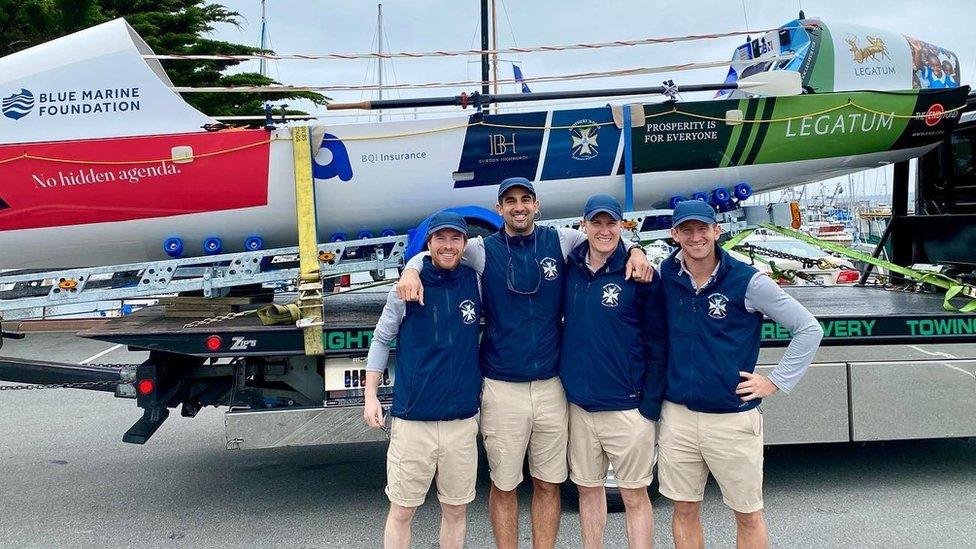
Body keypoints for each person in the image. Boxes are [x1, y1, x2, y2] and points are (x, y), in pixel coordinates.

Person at [396, 177, 652, 549]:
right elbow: (439, 253)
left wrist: (638, 251)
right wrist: (411, 269)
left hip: (551, 386)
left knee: (548, 484)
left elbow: (608, 238)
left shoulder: (561, 241)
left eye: (525, 199)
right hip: (502, 388)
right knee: (504, 485)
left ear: (537, 205)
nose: (519, 206)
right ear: (499, 209)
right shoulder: (483, 250)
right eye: (510, 201)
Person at [656, 200, 823, 549]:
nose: (696, 236)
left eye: (703, 228)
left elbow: (808, 328)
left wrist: (775, 381)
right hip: (679, 417)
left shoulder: (747, 281)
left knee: (747, 514)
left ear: (717, 231)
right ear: (674, 235)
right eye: (687, 229)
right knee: (684, 510)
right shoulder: (667, 275)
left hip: (732, 419)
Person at [363, 211, 482, 549]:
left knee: (456, 509)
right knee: (402, 510)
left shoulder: (475, 282)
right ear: (428, 243)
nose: (448, 245)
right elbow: (381, 339)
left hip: (460, 420)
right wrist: (371, 396)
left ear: (464, 243)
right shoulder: (405, 288)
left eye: (455, 238)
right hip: (413, 421)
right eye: (440, 238)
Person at [559, 194, 668, 549]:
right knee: (588, 491)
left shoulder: (640, 274)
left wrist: (649, 406)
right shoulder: (570, 268)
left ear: (622, 226)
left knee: (634, 495)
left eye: (611, 223)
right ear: (584, 225)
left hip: (627, 407)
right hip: (580, 406)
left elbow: (658, 342)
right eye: (597, 223)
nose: (604, 230)